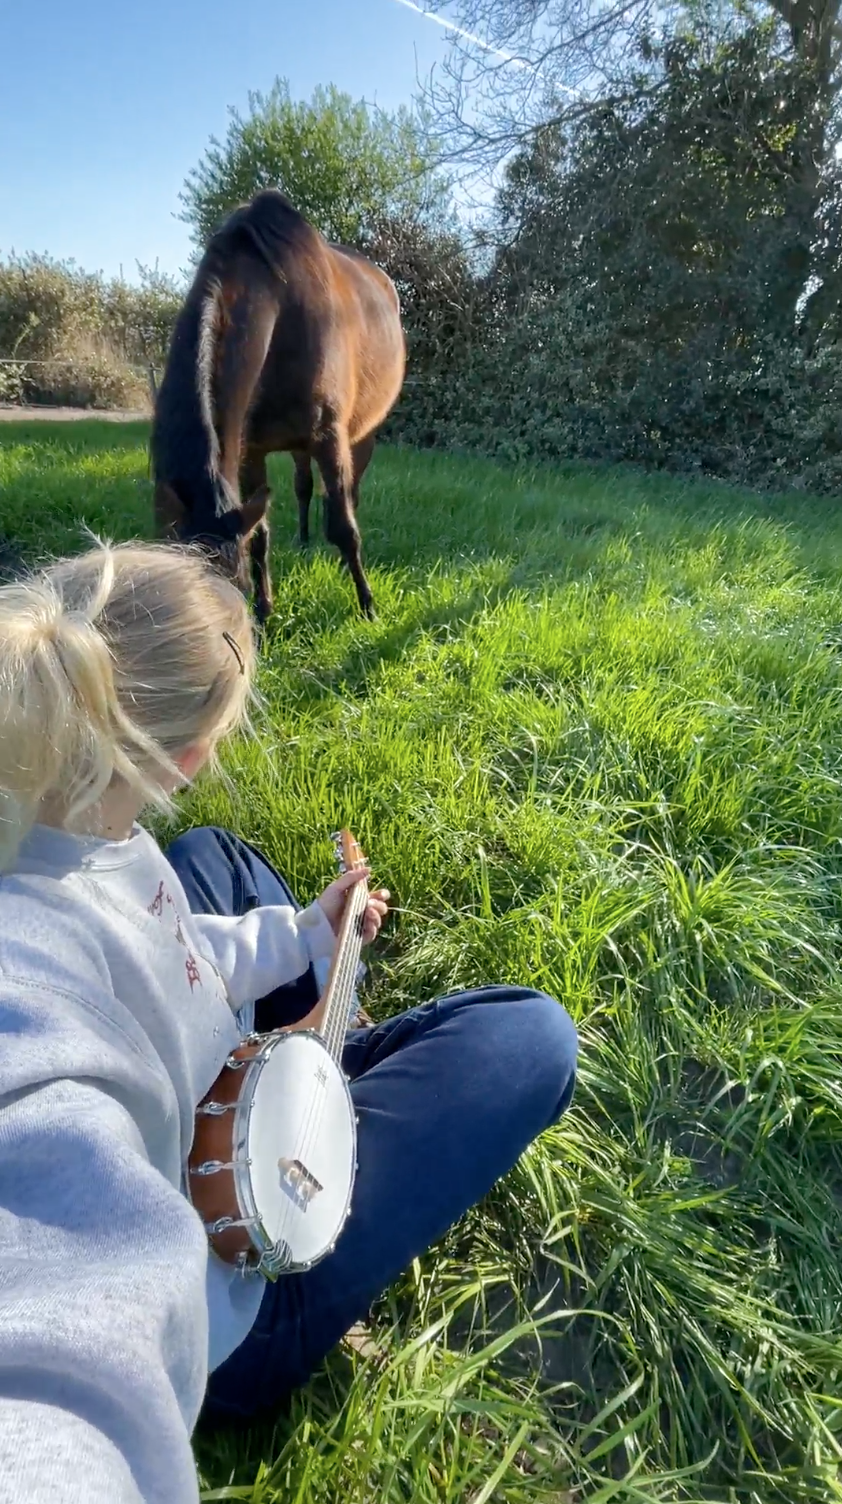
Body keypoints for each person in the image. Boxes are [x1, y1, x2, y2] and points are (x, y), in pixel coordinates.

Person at [0, 540, 578, 1504]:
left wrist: (306, 934)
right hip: (236, 1300)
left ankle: (318, 1036)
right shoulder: (33, 1002)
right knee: (532, 1037)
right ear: (187, 755)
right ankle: (329, 1076)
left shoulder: (72, 820)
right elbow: (64, 1339)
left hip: (214, 1077)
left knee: (216, 857)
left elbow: (178, 951)